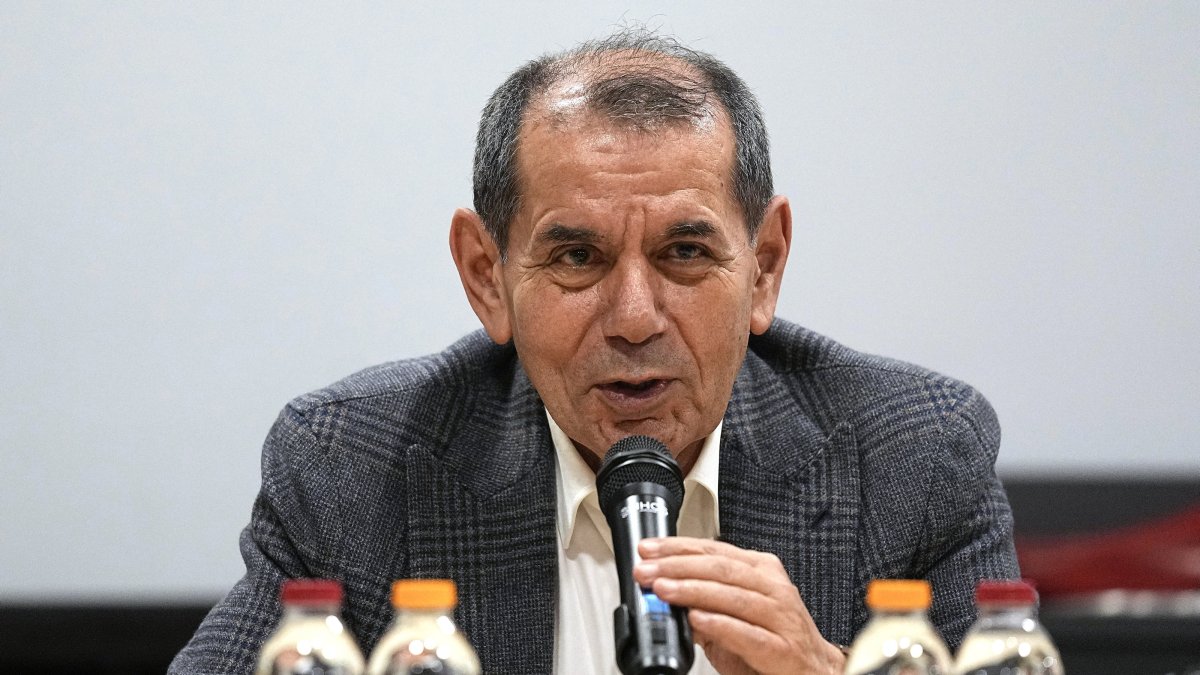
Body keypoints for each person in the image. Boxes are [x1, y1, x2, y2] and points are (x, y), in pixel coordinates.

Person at [170, 30, 1018, 675]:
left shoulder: (915, 459)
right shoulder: (353, 470)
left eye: (687, 253)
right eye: (577, 257)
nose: (636, 317)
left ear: (763, 266)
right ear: (486, 276)